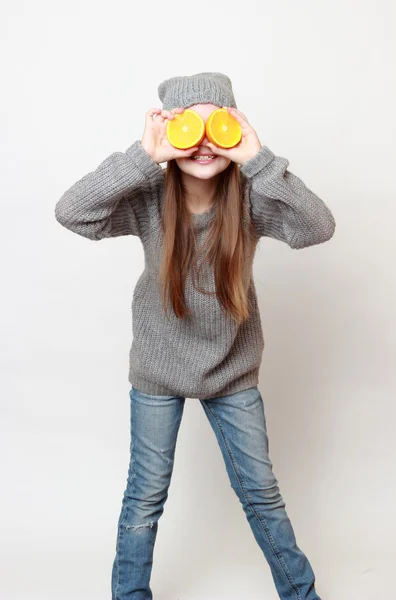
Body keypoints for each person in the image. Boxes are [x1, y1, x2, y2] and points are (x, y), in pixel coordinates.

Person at [55, 71, 335, 600]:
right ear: (168, 133)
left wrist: (260, 159)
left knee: (261, 492)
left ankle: (302, 595)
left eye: (219, 126)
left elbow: (317, 227)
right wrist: (143, 156)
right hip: (158, 371)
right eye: (189, 127)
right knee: (145, 496)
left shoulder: (251, 197)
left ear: (238, 131)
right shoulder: (147, 197)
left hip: (231, 368)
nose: (204, 141)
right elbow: (72, 212)